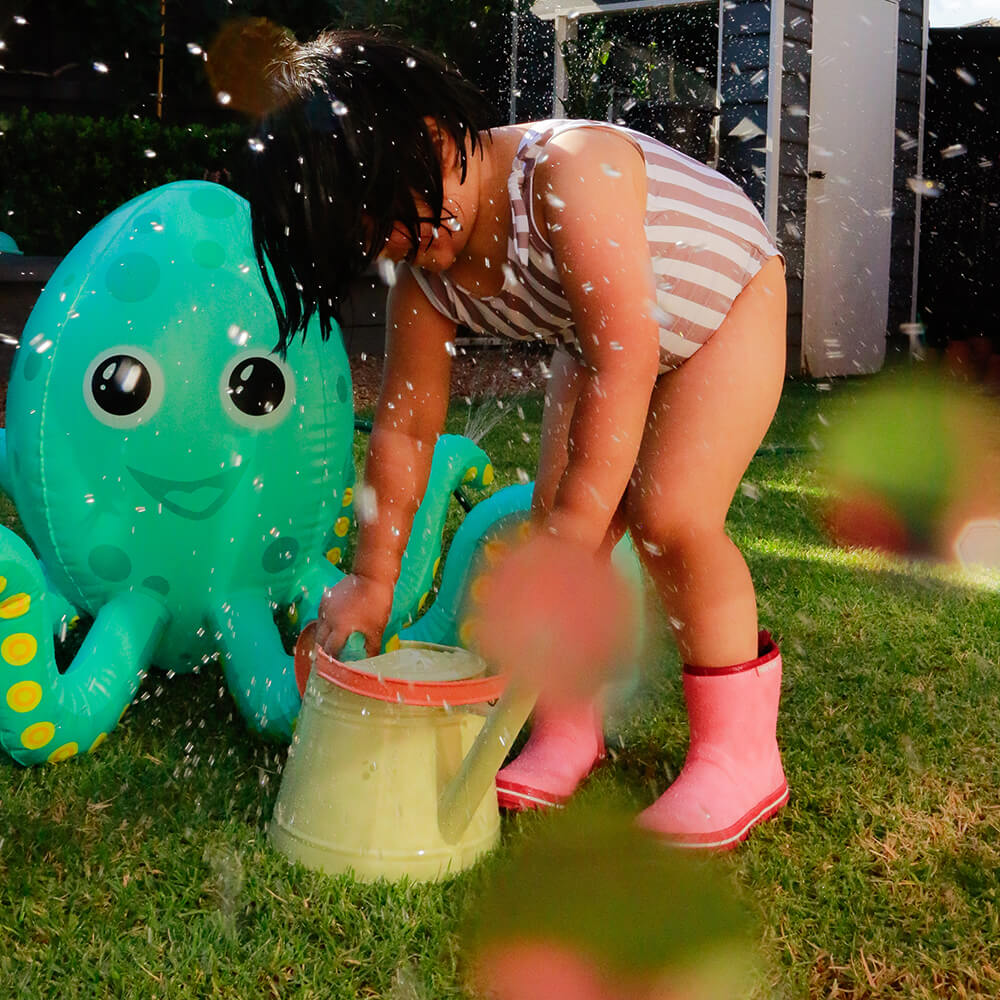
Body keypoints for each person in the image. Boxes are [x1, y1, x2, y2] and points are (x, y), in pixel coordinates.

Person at [244, 28, 788, 849]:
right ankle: (566, 727)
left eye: (406, 203)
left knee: (667, 517)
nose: (409, 239)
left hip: (723, 311)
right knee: (555, 525)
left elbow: (626, 357)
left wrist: (578, 533)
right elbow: (403, 425)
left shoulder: (565, 175)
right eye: (377, 237)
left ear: (435, 125)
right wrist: (371, 577)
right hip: (605, 346)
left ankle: (740, 754)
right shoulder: (426, 278)